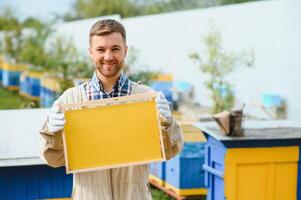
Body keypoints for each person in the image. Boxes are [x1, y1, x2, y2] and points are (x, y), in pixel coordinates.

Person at [40, 19, 183, 200]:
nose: (108, 56)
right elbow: (54, 160)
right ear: (90, 52)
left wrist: (167, 123)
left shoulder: (147, 98)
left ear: (125, 50)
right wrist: (52, 134)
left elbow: (171, 150)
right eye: (101, 49)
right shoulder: (70, 100)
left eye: (115, 48)